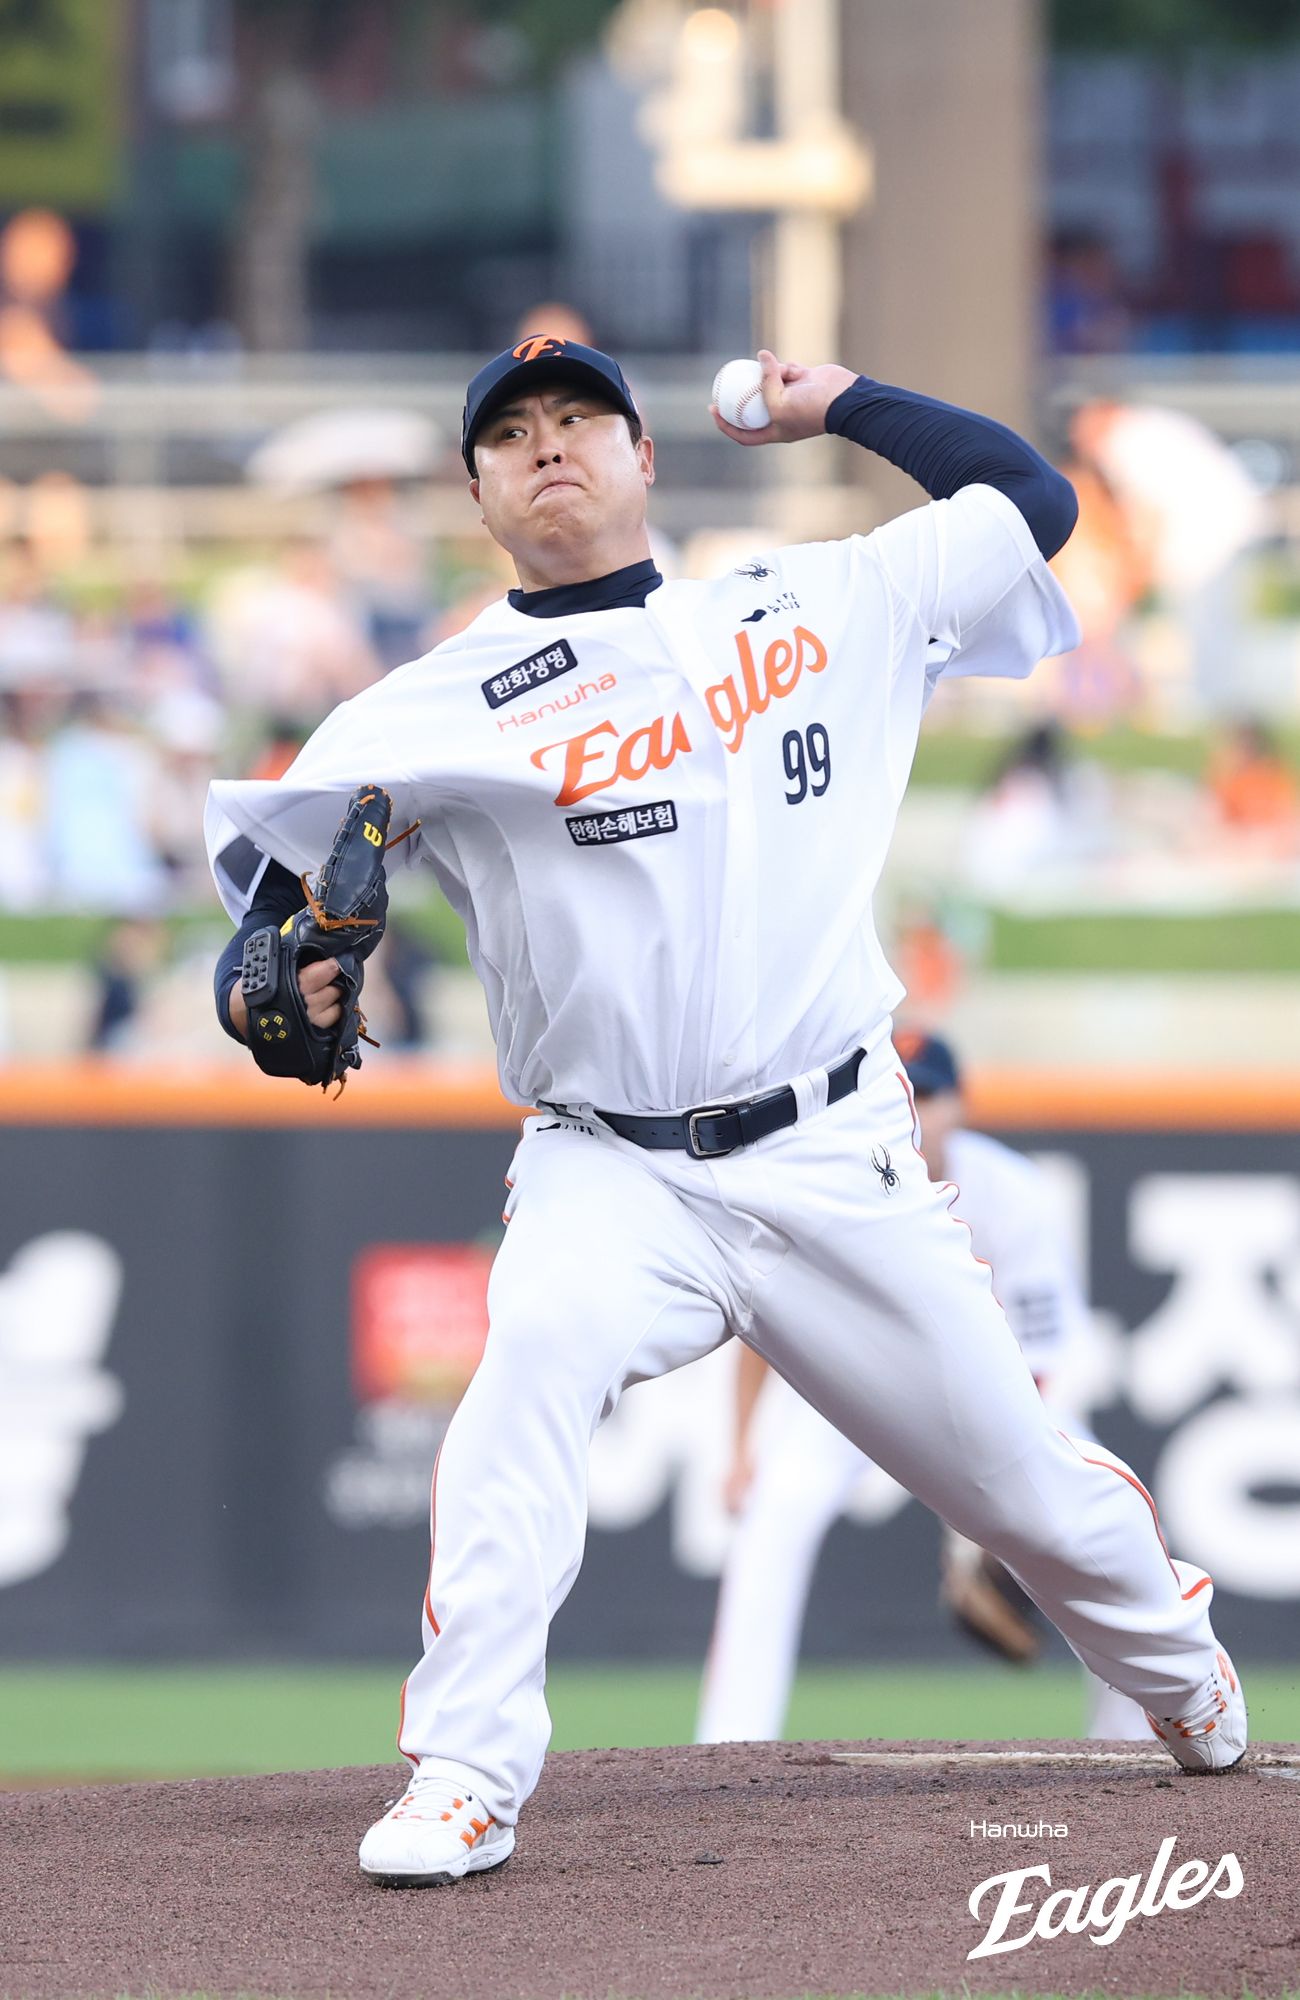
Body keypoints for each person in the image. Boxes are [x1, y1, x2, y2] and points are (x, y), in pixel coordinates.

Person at [204, 337, 1248, 1888]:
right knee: (528, 1374)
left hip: (833, 1149)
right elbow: (267, 944)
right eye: (512, 431)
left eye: (581, 417)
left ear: (643, 458)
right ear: (477, 492)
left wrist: (843, 405)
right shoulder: (418, 712)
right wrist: (275, 994)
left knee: (1021, 1487)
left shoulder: (815, 603)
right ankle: (466, 1771)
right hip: (608, 1167)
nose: (548, 443)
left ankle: (1175, 1656)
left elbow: (1031, 497)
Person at [695, 1030, 1150, 1747]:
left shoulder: (1011, 1195)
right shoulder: (829, 1181)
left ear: (959, 1105)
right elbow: (761, 1317)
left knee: (1105, 1512)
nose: (913, 1106)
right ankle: (727, 1743)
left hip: (997, 1394)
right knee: (772, 1513)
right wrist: (741, 1447)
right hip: (851, 1383)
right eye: (900, 1087)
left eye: (929, 1093)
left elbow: (1039, 1368)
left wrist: (977, 1514)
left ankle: (1132, 1737)